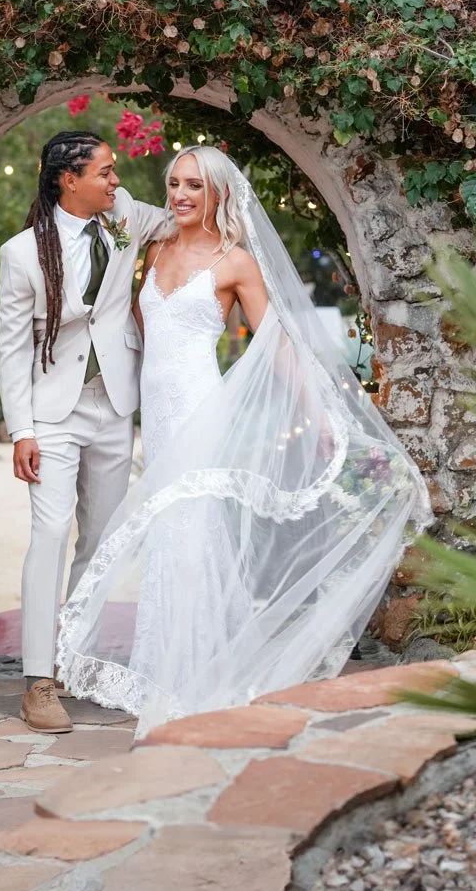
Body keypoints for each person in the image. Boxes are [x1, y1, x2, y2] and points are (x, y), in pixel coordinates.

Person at [52, 146, 432, 733]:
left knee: (193, 533)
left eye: (194, 186)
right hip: (156, 416)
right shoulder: (154, 249)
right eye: (175, 184)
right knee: (169, 538)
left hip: (201, 409)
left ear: (219, 195)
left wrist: (319, 414)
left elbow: (277, 342)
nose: (180, 195)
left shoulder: (236, 263)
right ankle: (167, 673)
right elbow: (139, 331)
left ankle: (192, 682)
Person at [0, 131, 165, 734]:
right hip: (53, 412)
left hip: (114, 402)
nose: (117, 181)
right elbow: (12, 347)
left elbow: (181, 221)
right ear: (70, 180)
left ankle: (76, 660)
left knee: (101, 539)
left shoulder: (124, 215)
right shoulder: (21, 254)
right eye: (105, 172)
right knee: (50, 533)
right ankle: (38, 681)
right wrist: (22, 430)